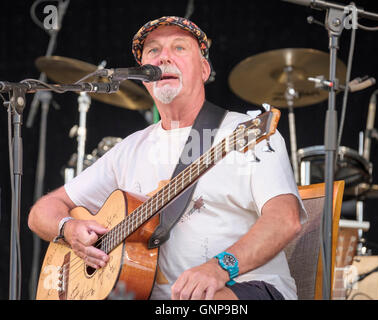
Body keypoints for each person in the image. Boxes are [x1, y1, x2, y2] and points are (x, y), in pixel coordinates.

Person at [28, 16, 307, 300]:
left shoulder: (246, 132)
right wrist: (69, 228)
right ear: (143, 75)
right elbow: (42, 212)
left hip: (244, 287)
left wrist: (220, 268)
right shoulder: (129, 150)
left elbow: (285, 220)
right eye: (153, 51)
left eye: (179, 48)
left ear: (203, 69)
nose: (164, 58)